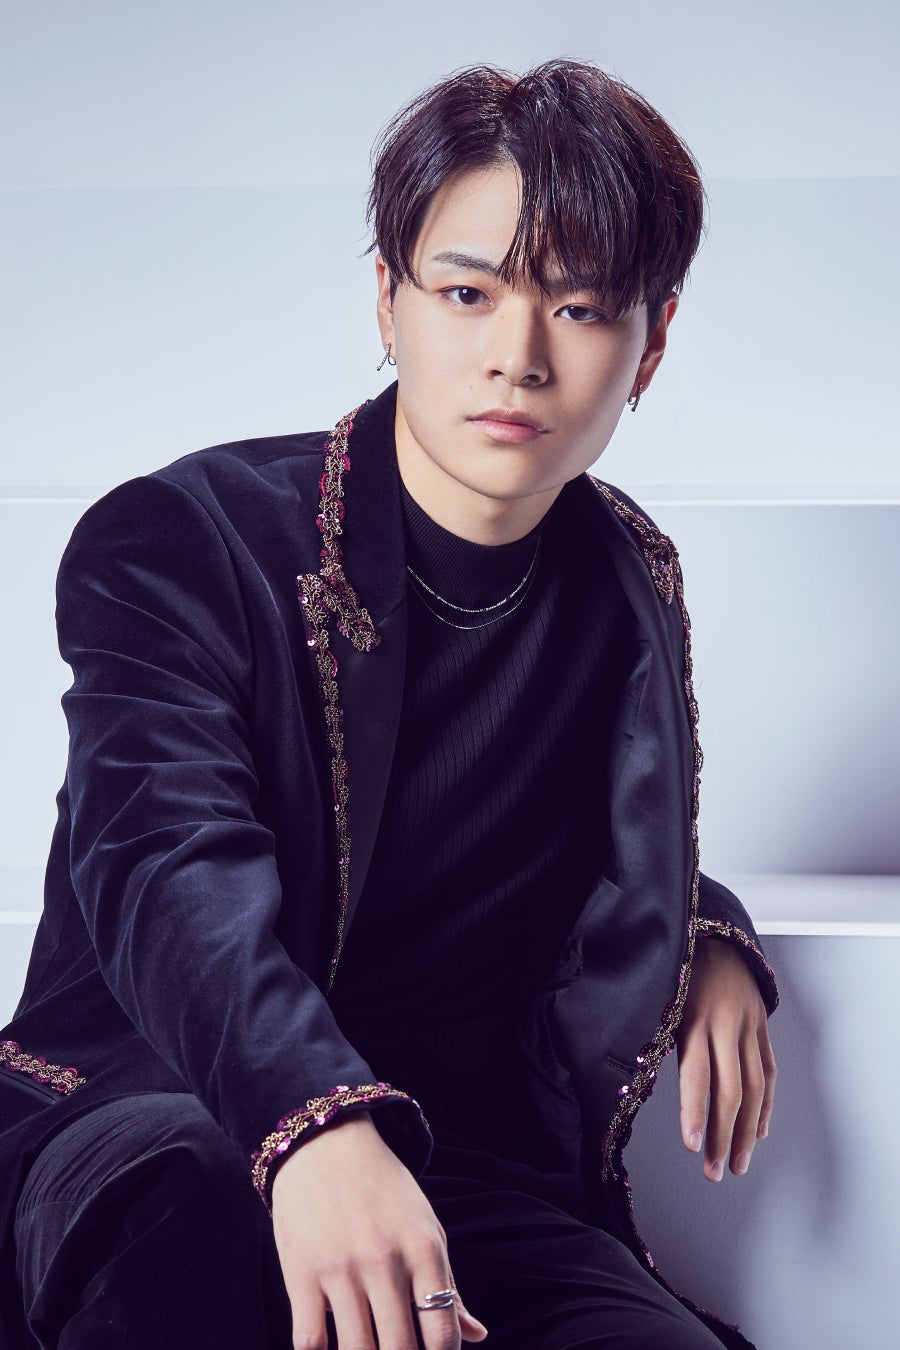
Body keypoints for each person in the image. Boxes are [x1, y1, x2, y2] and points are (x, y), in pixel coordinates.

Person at [0, 60, 778, 1350]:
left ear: (652, 343)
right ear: (388, 299)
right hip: (157, 1118)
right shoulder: (186, 540)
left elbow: (568, 837)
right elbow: (164, 864)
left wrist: (706, 926)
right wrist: (311, 1125)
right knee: (194, 1209)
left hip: (448, 1161)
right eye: (468, 294)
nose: (517, 357)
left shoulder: (621, 579)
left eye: (581, 307)